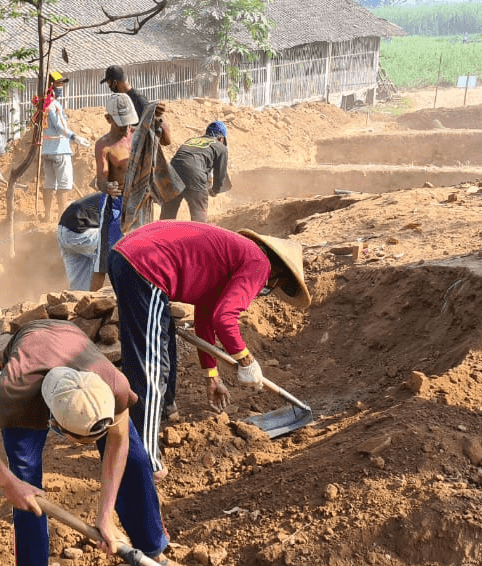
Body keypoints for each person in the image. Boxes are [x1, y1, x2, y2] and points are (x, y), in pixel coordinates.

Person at [0, 319, 170, 566]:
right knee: (25, 480)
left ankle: (151, 547)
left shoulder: (113, 387)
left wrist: (105, 516)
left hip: (70, 341)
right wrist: (7, 481)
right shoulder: (12, 396)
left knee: (135, 460)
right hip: (31, 349)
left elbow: (117, 445)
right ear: (54, 424)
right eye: (78, 440)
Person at [108, 222, 312, 479]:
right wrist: (246, 360)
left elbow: (206, 317)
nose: (267, 291)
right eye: (277, 287)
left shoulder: (238, 257)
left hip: (127, 256)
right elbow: (224, 318)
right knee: (150, 364)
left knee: (161, 337)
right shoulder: (259, 265)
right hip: (146, 265)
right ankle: (145, 458)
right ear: (279, 274)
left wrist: (211, 377)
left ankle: (165, 409)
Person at [91, 92, 138, 290]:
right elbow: (101, 177)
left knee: (138, 251)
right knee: (105, 256)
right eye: (122, 124)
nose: (127, 128)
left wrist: (159, 121)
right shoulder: (104, 145)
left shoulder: (138, 136)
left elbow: (165, 141)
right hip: (115, 204)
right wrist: (107, 187)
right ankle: (90, 298)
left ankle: (134, 292)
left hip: (138, 202)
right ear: (108, 119)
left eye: (129, 123)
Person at [41, 70, 90, 221]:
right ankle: (62, 216)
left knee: (49, 182)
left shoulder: (43, 103)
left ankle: (48, 215)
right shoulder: (54, 105)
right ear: (51, 85)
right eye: (58, 84)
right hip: (59, 149)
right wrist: (75, 137)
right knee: (64, 184)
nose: (60, 87)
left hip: (46, 149)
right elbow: (60, 127)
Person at [160, 121, 231, 224]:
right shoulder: (221, 147)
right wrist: (215, 190)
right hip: (194, 176)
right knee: (199, 220)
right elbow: (220, 174)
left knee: (167, 217)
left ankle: (160, 237)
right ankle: (198, 238)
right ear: (221, 138)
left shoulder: (191, 140)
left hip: (172, 174)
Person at [57, 192, 106, 291]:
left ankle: (79, 300)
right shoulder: (127, 202)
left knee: (80, 289)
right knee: (121, 247)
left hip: (64, 230)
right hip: (80, 233)